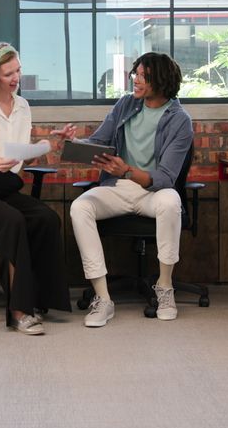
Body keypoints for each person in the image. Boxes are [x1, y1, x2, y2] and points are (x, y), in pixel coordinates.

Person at [0, 42, 77, 335]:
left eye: (18, 71)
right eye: (8, 73)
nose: (15, 77)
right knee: (14, 221)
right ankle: (19, 311)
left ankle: (40, 298)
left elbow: (23, 155)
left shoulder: (22, 106)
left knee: (47, 219)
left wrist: (51, 142)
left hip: (7, 186)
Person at [69, 52, 193, 327]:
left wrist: (126, 169)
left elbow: (165, 178)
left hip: (152, 191)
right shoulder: (125, 105)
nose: (135, 80)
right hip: (118, 187)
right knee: (80, 206)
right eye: (134, 74)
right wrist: (74, 141)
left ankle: (164, 287)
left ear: (161, 80)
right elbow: (99, 141)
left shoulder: (180, 120)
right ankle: (103, 298)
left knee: (171, 202)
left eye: (142, 76)